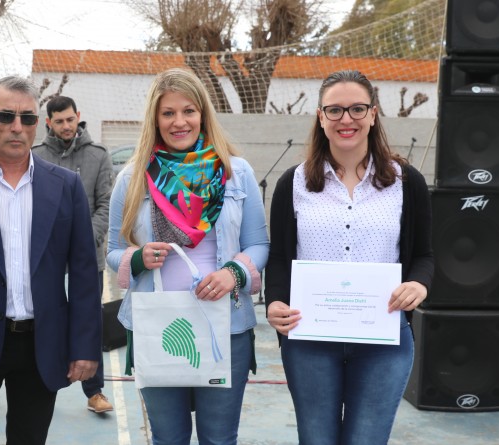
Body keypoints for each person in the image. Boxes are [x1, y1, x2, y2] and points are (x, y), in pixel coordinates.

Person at [265, 70, 433, 444]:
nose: (346, 119)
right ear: (320, 117)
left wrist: (419, 284)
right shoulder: (293, 182)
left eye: (357, 108)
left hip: (383, 338)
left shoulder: (406, 182)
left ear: (373, 114)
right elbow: (278, 257)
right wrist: (275, 301)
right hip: (309, 337)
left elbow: (424, 255)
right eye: (335, 110)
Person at [106, 67, 269, 445]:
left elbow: (259, 245)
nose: (179, 122)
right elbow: (113, 251)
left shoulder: (236, 172)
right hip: (157, 326)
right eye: (168, 113)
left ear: (202, 114)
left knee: (219, 439)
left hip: (225, 325)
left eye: (188, 111)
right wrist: (137, 258)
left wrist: (233, 273)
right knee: (168, 439)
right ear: (155, 119)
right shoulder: (132, 178)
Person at [0, 76, 102, 445]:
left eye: (27, 118)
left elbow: (83, 273)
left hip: (42, 345)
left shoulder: (66, 186)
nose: (17, 127)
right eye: (6, 116)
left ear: (37, 124)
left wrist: (84, 346)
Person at [32, 95, 114, 414]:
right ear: (48, 123)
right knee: (42, 319)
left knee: (89, 320)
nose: (66, 126)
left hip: (88, 256)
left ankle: (95, 391)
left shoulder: (98, 155)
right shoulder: (35, 156)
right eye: (59, 121)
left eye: (70, 119)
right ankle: (37, 379)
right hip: (46, 259)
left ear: (78, 116)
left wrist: (81, 242)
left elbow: (105, 205)